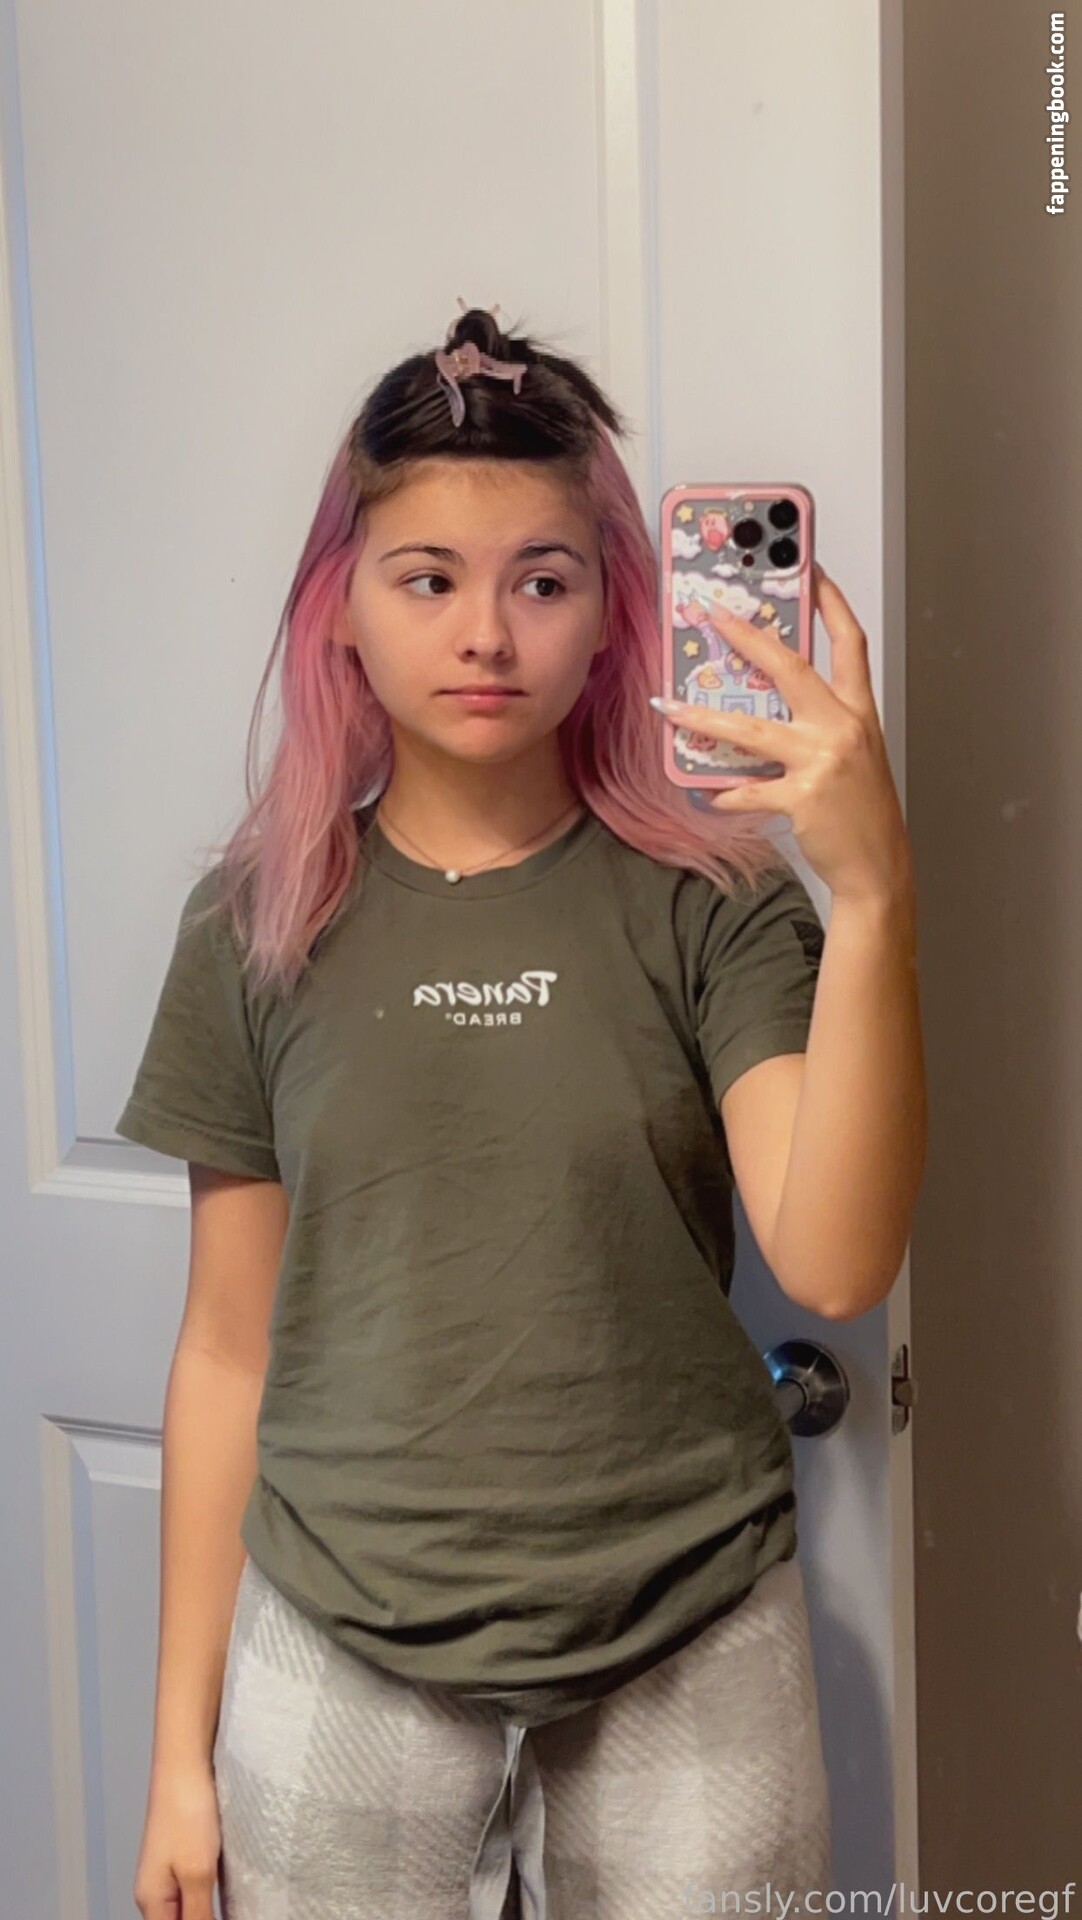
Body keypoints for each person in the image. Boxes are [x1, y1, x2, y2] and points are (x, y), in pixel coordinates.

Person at [121, 301, 925, 1920]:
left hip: (690, 1632)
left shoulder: (714, 905)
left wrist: (871, 893)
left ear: (613, 610)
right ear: (340, 609)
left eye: (541, 582)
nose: (485, 635)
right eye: (428, 579)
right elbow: (224, 1350)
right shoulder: (255, 925)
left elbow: (834, 1263)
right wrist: (176, 1761)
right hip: (337, 1637)